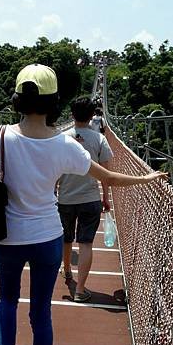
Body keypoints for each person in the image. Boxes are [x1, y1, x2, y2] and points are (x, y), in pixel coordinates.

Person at [0, 63, 167, 345]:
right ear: (56, 103)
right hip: (47, 238)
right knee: (40, 312)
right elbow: (110, 178)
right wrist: (147, 178)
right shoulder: (65, 145)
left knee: (7, 301)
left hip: (7, 238)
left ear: (17, 98)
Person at [57, 97, 113, 302]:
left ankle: (67, 272)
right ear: (93, 116)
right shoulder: (99, 139)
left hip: (65, 199)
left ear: (72, 114)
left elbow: (54, 171)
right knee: (86, 243)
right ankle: (80, 290)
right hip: (90, 198)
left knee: (66, 237)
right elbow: (106, 173)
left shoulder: (60, 138)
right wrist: (105, 198)